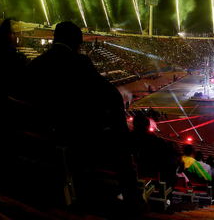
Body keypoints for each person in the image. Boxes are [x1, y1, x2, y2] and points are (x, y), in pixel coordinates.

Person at [23, 21, 143, 210]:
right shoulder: (80, 62)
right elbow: (113, 97)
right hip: (76, 141)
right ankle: (133, 199)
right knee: (120, 144)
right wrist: (121, 132)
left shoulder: (34, 66)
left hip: (41, 140)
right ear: (77, 45)